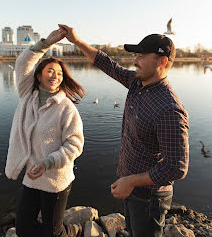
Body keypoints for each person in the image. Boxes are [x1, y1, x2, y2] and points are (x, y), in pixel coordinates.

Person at [59, 24, 189, 237]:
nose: (134, 61)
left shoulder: (169, 109)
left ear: (162, 61)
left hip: (150, 197)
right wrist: (77, 41)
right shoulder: (138, 83)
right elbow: (107, 64)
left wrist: (132, 181)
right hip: (132, 187)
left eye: (141, 56)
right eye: (135, 55)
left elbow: (176, 167)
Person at [5, 28, 85, 237]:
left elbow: (75, 144)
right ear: (39, 75)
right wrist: (46, 43)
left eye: (59, 73)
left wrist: (48, 162)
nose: (55, 76)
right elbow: (22, 63)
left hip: (55, 177)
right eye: (50, 71)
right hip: (32, 175)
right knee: (23, 228)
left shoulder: (66, 108)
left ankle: (73, 230)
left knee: (53, 232)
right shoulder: (27, 95)